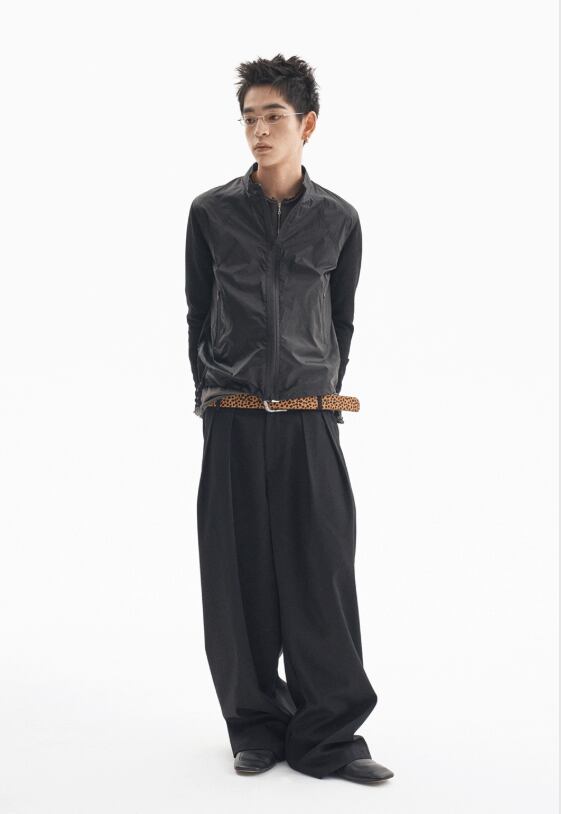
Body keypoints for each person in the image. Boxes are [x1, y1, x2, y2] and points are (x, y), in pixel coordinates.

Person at [184, 53, 394, 785]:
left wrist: (319, 398)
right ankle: (254, 725)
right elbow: (198, 314)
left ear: (307, 124)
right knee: (237, 579)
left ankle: (328, 737)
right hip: (235, 416)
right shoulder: (210, 213)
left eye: (273, 115)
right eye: (249, 117)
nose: (259, 130)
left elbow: (341, 323)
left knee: (321, 576)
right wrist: (211, 400)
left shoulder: (338, 220)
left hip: (309, 419)